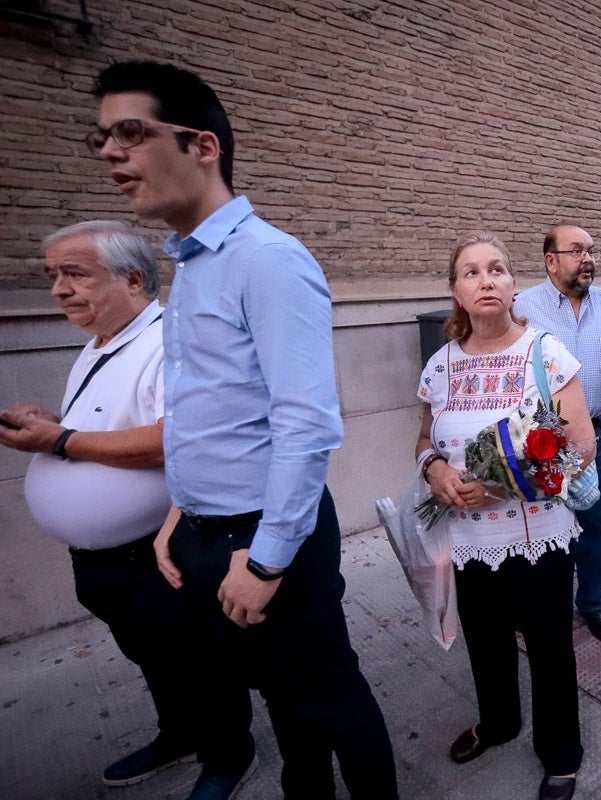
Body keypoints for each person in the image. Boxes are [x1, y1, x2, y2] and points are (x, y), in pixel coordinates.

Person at [89, 61, 397, 798]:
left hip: (266, 538)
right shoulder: (191, 264)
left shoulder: (268, 260)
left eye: (130, 132)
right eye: (100, 137)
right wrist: (178, 518)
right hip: (207, 534)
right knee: (283, 704)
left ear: (202, 146)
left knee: (331, 702)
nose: (109, 153)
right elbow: (208, 415)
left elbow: (305, 426)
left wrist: (263, 564)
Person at [0, 221, 254, 799]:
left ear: (132, 279)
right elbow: (109, 427)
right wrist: (52, 424)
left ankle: (227, 754)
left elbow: (176, 439)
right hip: (105, 560)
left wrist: (59, 442)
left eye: (75, 274)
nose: (59, 289)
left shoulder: (168, 342)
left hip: (155, 555)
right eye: (53, 277)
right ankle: (181, 732)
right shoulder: (100, 343)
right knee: (152, 657)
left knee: (197, 660)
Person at [417, 233, 593, 800]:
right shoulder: (440, 365)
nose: (485, 279)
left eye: (496, 269)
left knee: (548, 647)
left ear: (513, 285)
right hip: (467, 540)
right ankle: (499, 723)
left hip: (538, 535)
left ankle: (560, 751)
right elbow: (425, 437)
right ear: (456, 293)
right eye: (471, 273)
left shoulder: (545, 353)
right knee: (485, 639)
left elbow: (581, 445)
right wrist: (434, 471)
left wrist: (502, 487)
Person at [513, 225, 601, 642]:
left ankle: (593, 603)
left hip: (596, 439)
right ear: (551, 260)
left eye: (591, 251)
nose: (588, 259)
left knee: (597, 527)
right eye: (577, 251)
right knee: (545, 529)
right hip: (541, 444)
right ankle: (544, 606)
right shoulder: (522, 308)